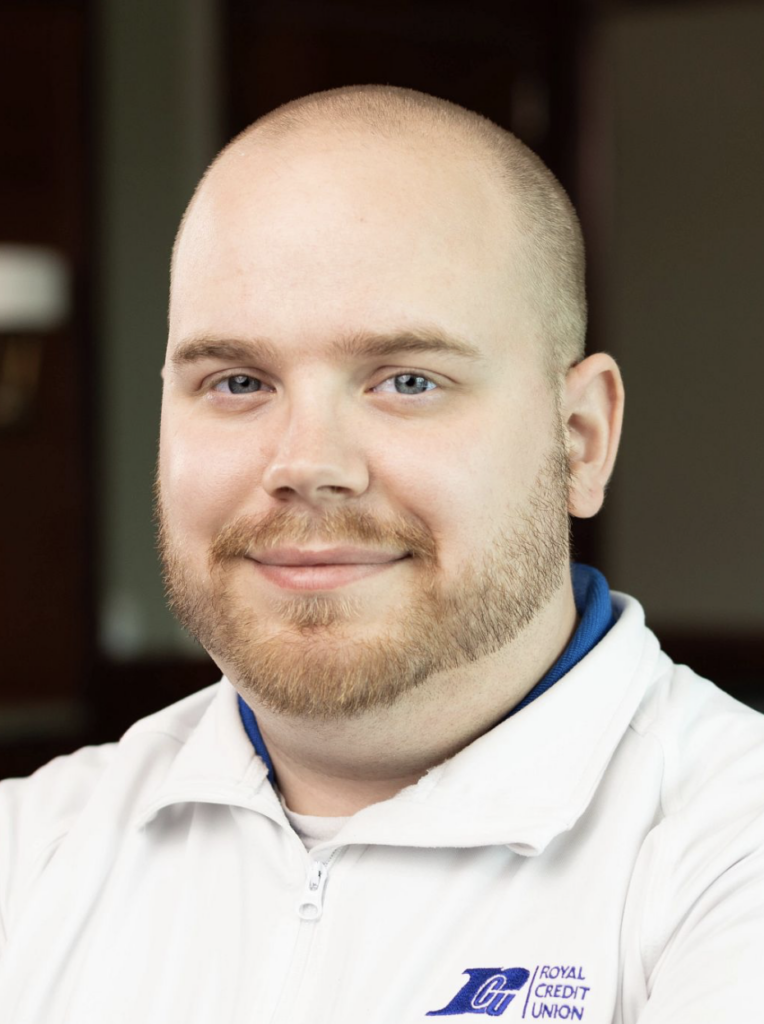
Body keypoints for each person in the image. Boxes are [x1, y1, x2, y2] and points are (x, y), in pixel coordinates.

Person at [0, 85, 762, 1024]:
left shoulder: (732, 849)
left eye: (407, 380)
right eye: (237, 382)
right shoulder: (27, 854)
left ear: (580, 438)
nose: (306, 464)